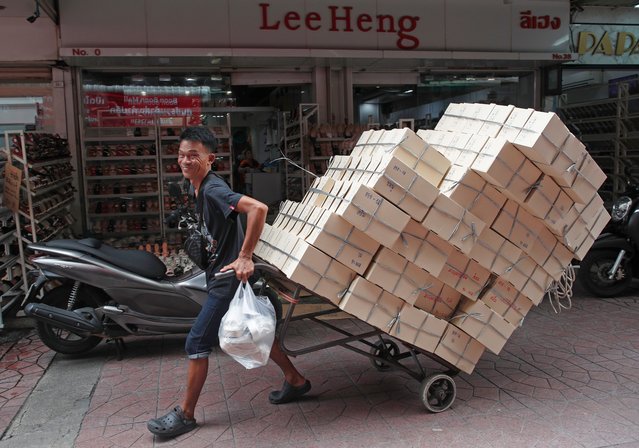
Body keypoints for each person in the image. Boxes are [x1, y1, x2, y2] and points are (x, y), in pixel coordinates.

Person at [147, 127, 310, 438]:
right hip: (222, 274)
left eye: (193, 155)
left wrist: (245, 255)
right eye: (181, 155)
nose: (185, 161)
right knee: (256, 331)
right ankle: (296, 380)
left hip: (228, 279)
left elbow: (258, 209)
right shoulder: (198, 187)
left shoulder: (211, 189)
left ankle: (186, 414)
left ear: (210, 159)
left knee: (196, 342)